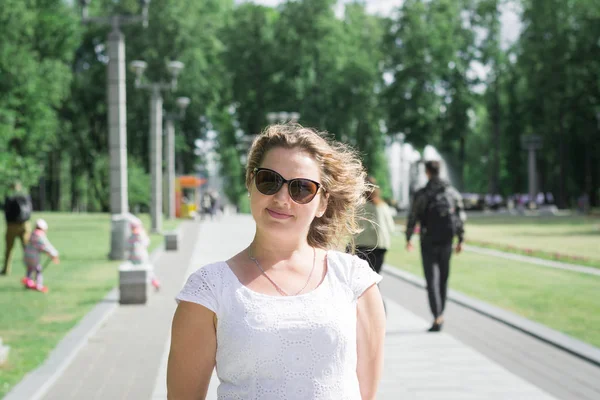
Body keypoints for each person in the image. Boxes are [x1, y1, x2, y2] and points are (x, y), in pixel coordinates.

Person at [168, 124, 386, 400]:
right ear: (250, 183)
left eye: (302, 188)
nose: (282, 198)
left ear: (322, 203)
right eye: (269, 181)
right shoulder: (208, 289)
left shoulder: (355, 281)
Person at [405, 160, 465, 332]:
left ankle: (437, 316)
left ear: (427, 172)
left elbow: (413, 216)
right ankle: (441, 313)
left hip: (428, 240)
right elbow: (460, 217)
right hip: (447, 240)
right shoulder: (451, 192)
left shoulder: (422, 193)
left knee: (432, 280)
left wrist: (408, 237)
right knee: (444, 279)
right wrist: (461, 239)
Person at [354, 176, 395, 275]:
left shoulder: (358, 206)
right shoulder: (382, 206)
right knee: (374, 276)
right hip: (380, 245)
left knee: (361, 277)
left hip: (361, 246)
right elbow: (391, 227)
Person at [2, 182, 33, 276]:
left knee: (9, 249)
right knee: (26, 249)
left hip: (12, 225)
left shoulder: (9, 196)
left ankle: (6, 269)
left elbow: (6, 209)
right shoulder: (25, 195)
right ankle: (30, 270)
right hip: (25, 224)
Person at [22, 219, 59, 293]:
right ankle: (39, 285)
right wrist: (54, 253)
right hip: (33, 257)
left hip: (26, 255)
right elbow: (46, 246)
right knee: (38, 271)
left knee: (30, 269)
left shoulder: (32, 234)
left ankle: (28, 282)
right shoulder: (40, 235)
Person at [127, 215, 160, 291]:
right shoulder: (136, 235)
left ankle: (153, 283)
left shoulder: (138, 235)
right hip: (136, 257)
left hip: (140, 257)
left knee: (146, 272)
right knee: (141, 272)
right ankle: (139, 286)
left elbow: (145, 243)